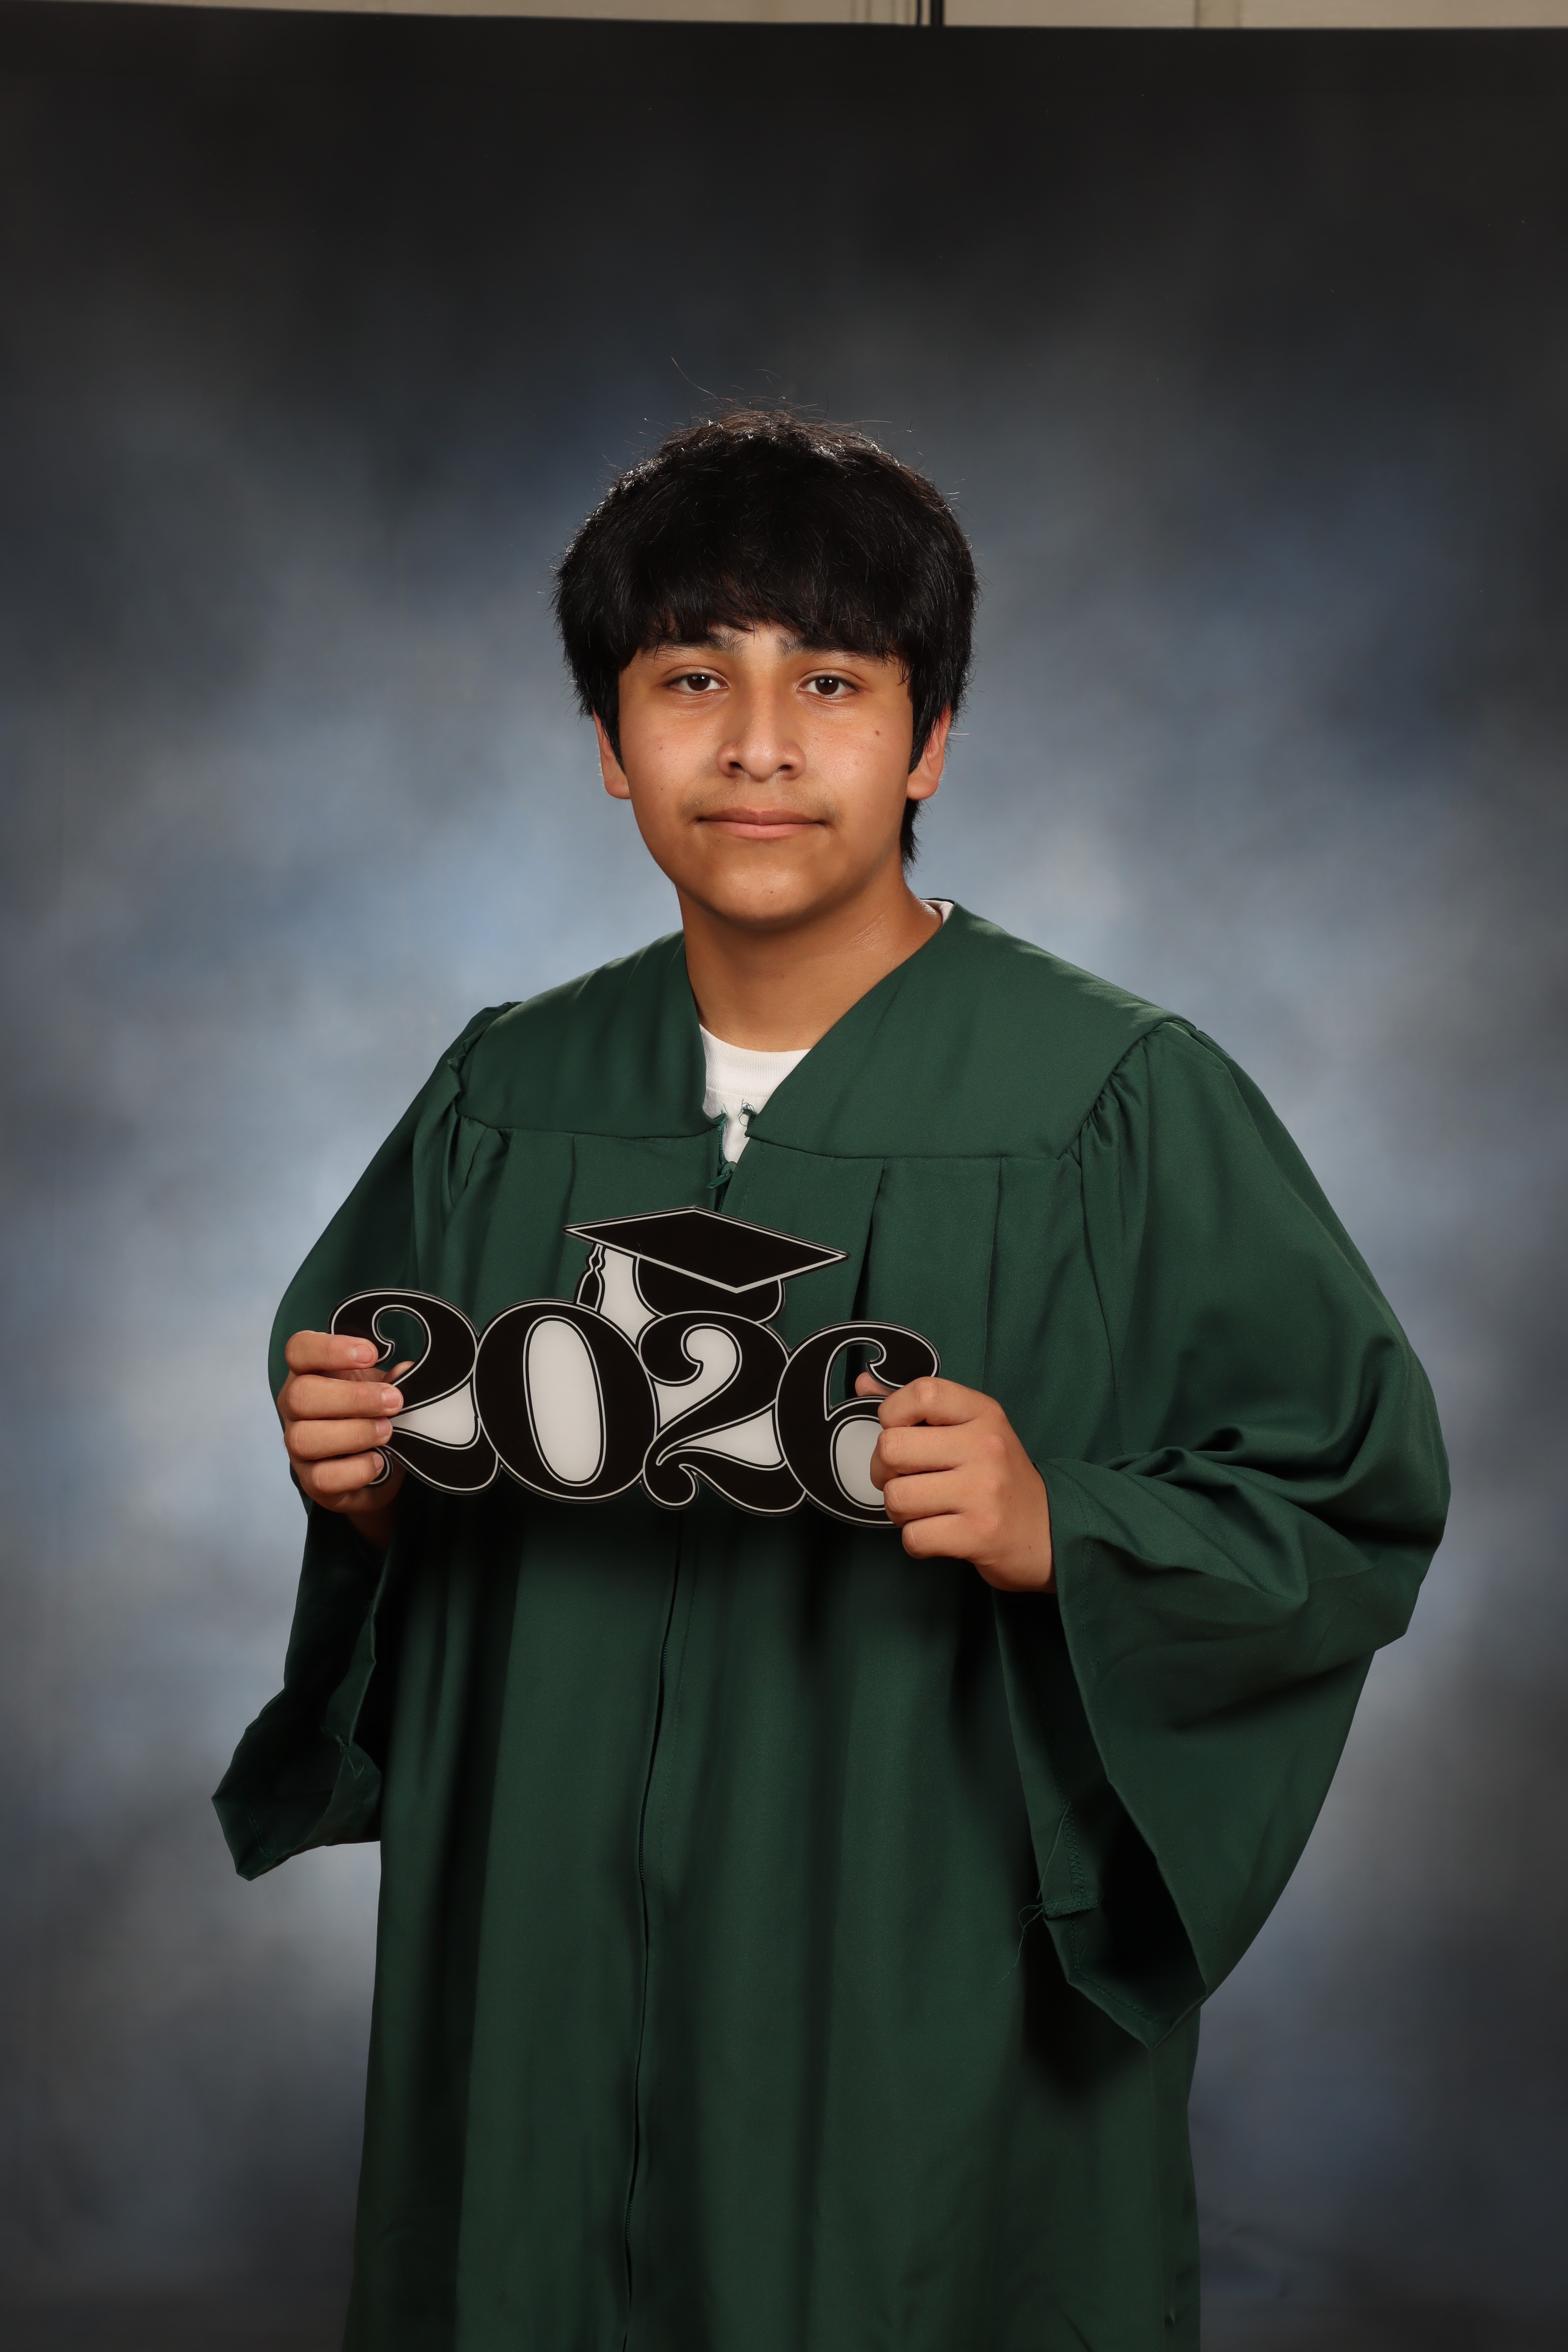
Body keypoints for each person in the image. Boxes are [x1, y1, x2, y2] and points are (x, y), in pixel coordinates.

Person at [217, 411, 1448, 2352]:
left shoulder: (1111, 1101)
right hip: (539, 1980)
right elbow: (390, 1494)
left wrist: (1063, 1524)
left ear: (929, 740)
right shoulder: (501, 1094)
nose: (759, 747)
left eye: (833, 683)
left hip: (914, 1982)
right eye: (690, 679)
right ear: (610, 743)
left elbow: (1344, 1493)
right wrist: (361, 1494)